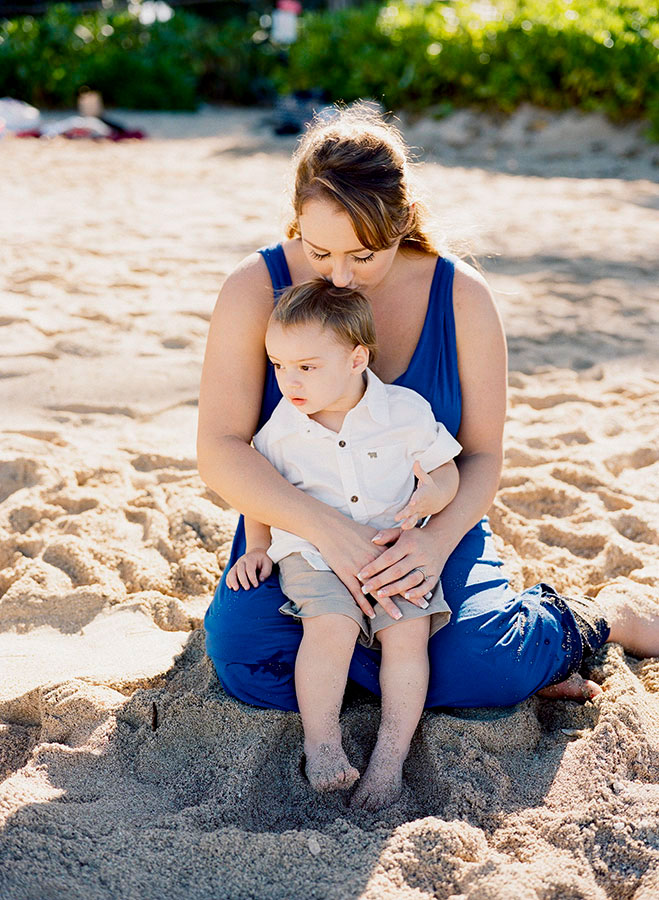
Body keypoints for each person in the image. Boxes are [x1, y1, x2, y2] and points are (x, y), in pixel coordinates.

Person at [199, 105, 659, 754]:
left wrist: (433, 545)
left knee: (484, 664)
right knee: (247, 664)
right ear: (296, 222)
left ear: (401, 224)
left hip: (424, 527)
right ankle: (417, 668)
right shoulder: (254, 286)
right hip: (299, 522)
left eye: (364, 254)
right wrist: (331, 534)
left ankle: (595, 622)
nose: (336, 277)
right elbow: (220, 448)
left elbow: (483, 456)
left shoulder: (460, 296)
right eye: (318, 249)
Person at [225, 279, 461, 808]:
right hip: (313, 553)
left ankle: (389, 758)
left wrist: (428, 500)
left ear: (357, 359)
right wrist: (258, 546)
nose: (289, 380)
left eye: (307, 366)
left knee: (407, 637)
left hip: (392, 550)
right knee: (327, 628)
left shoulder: (405, 412)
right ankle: (322, 742)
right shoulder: (280, 429)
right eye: (278, 364)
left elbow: (445, 474)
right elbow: (259, 491)